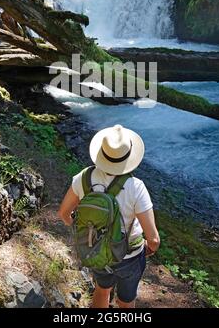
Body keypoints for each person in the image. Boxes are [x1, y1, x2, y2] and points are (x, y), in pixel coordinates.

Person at [58, 124, 160, 308]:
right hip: (129, 256)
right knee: (126, 301)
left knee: (102, 289)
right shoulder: (136, 187)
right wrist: (147, 249)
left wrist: (84, 234)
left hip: (95, 249)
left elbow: (64, 214)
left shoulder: (83, 178)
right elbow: (153, 239)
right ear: (129, 156)